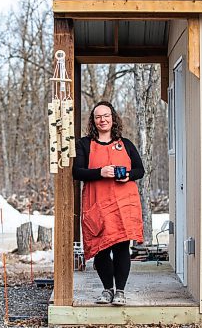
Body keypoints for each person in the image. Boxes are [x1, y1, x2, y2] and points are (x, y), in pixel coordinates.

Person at [72, 100, 144, 306]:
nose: (102, 120)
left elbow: (140, 170)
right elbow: (77, 172)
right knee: (101, 248)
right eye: (98, 117)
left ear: (113, 119)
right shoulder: (84, 144)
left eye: (106, 116)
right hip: (97, 205)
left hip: (123, 205)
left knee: (122, 247)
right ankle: (107, 290)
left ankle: (120, 291)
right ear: (93, 121)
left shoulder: (126, 144)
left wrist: (127, 176)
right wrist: (100, 172)